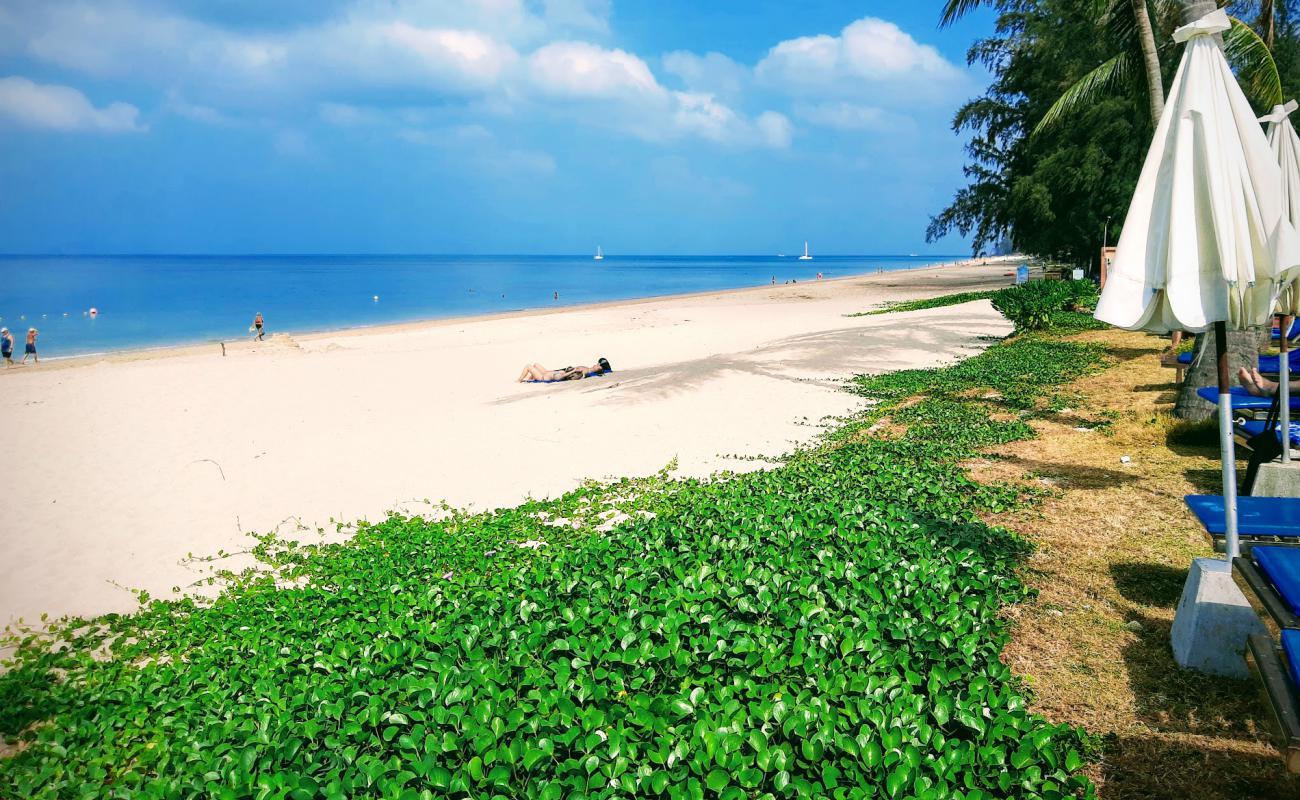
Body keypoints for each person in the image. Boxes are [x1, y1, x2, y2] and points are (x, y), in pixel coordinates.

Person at [517, 357, 612, 383]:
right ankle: (532, 379)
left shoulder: (587, 372)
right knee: (535, 364)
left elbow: (577, 376)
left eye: (599, 365)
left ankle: (519, 380)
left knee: (529, 366)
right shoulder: (588, 368)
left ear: (598, 369)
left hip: (547, 376)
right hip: (551, 373)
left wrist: (573, 371)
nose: (597, 364)